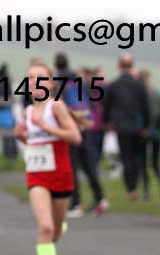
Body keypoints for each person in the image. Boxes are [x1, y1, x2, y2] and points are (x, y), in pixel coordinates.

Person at [15, 60, 82, 255]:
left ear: (51, 83)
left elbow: (75, 137)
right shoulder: (27, 112)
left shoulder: (57, 107)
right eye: (30, 78)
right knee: (45, 228)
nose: (34, 82)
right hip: (37, 176)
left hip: (60, 175)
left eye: (40, 78)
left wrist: (47, 128)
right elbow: (32, 143)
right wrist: (22, 135)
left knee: (54, 230)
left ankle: (59, 227)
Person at [55, 55, 108, 218]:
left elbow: (60, 107)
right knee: (88, 165)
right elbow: (91, 103)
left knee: (72, 167)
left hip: (71, 128)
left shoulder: (59, 83)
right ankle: (100, 198)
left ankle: (76, 203)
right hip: (85, 126)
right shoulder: (80, 82)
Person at [103, 54, 150, 201]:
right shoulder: (139, 85)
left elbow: (107, 106)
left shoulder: (114, 85)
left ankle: (131, 188)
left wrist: (107, 122)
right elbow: (145, 107)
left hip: (121, 126)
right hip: (137, 126)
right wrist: (146, 125)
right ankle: (136, 185)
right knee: (137, 157)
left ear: (119, 66)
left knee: (126, 157)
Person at [138, 68, 160, 199]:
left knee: (143, 163)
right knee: (156, 163)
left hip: (143, 131)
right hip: (157, 132)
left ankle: (146, 191)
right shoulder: (157, 93)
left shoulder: (139, 95)